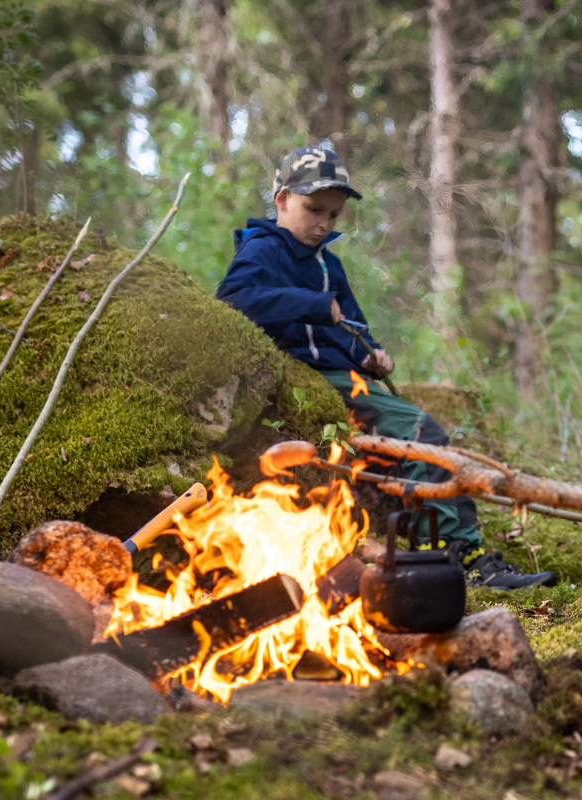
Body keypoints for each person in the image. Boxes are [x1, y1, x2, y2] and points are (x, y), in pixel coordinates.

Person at [216, 146, 557, 590]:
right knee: (422, 435)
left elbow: (352, 325)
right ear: (281, 200)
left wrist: (373, 356)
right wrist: (316, 305)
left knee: (424, 438)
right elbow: (234, 299)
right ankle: (453, 555)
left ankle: (453, 549)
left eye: (333, 215)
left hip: (347, 378)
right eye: (313, 209)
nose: (323, 223)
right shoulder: (264, 249)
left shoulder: (328, 263)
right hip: (306, 377)